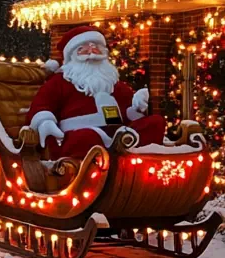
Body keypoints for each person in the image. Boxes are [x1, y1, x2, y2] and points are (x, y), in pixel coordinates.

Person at [26, 26, 166, 159]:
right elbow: (42, 105)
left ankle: (129, 161)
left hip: (119, 135)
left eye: (96, 48)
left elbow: (128, 112)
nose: (91, 53)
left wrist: (137, 107)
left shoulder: (112, 82)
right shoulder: (59, 82)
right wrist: (45, 121)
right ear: (72, 56)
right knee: (87, 137)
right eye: (83, 49)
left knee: (156, 122)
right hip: (79, 135)